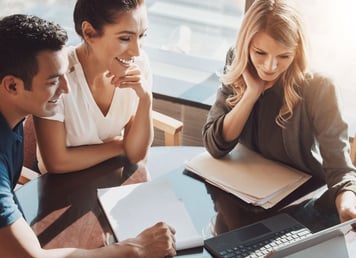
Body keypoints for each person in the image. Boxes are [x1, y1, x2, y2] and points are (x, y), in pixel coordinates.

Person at [0, 14, 176, 258]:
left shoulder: (12, 117)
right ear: (11, 86)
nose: (66, 88)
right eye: (53, 82)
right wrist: (134, 249)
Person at [202, 0, 356, 231]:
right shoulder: (238, 61)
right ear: (246, 45)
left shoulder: (320, 87)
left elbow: (340, 170)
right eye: (260, 52)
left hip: (303, 206)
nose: (270, 66)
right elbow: (215, 145)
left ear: (297, 51)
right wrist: (251, 94)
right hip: (244, 196)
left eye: (284, 56)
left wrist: (348, 208)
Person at [34, 0, 153, 173]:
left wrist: (145, 98)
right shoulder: (57, 74)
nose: (136, 51)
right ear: (89, 33)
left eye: (141, 36)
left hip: (110, 180)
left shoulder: (140, 65)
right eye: (125, 38)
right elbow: (56, 163)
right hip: (59, 188)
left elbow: (136, 155)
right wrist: (121, 146)